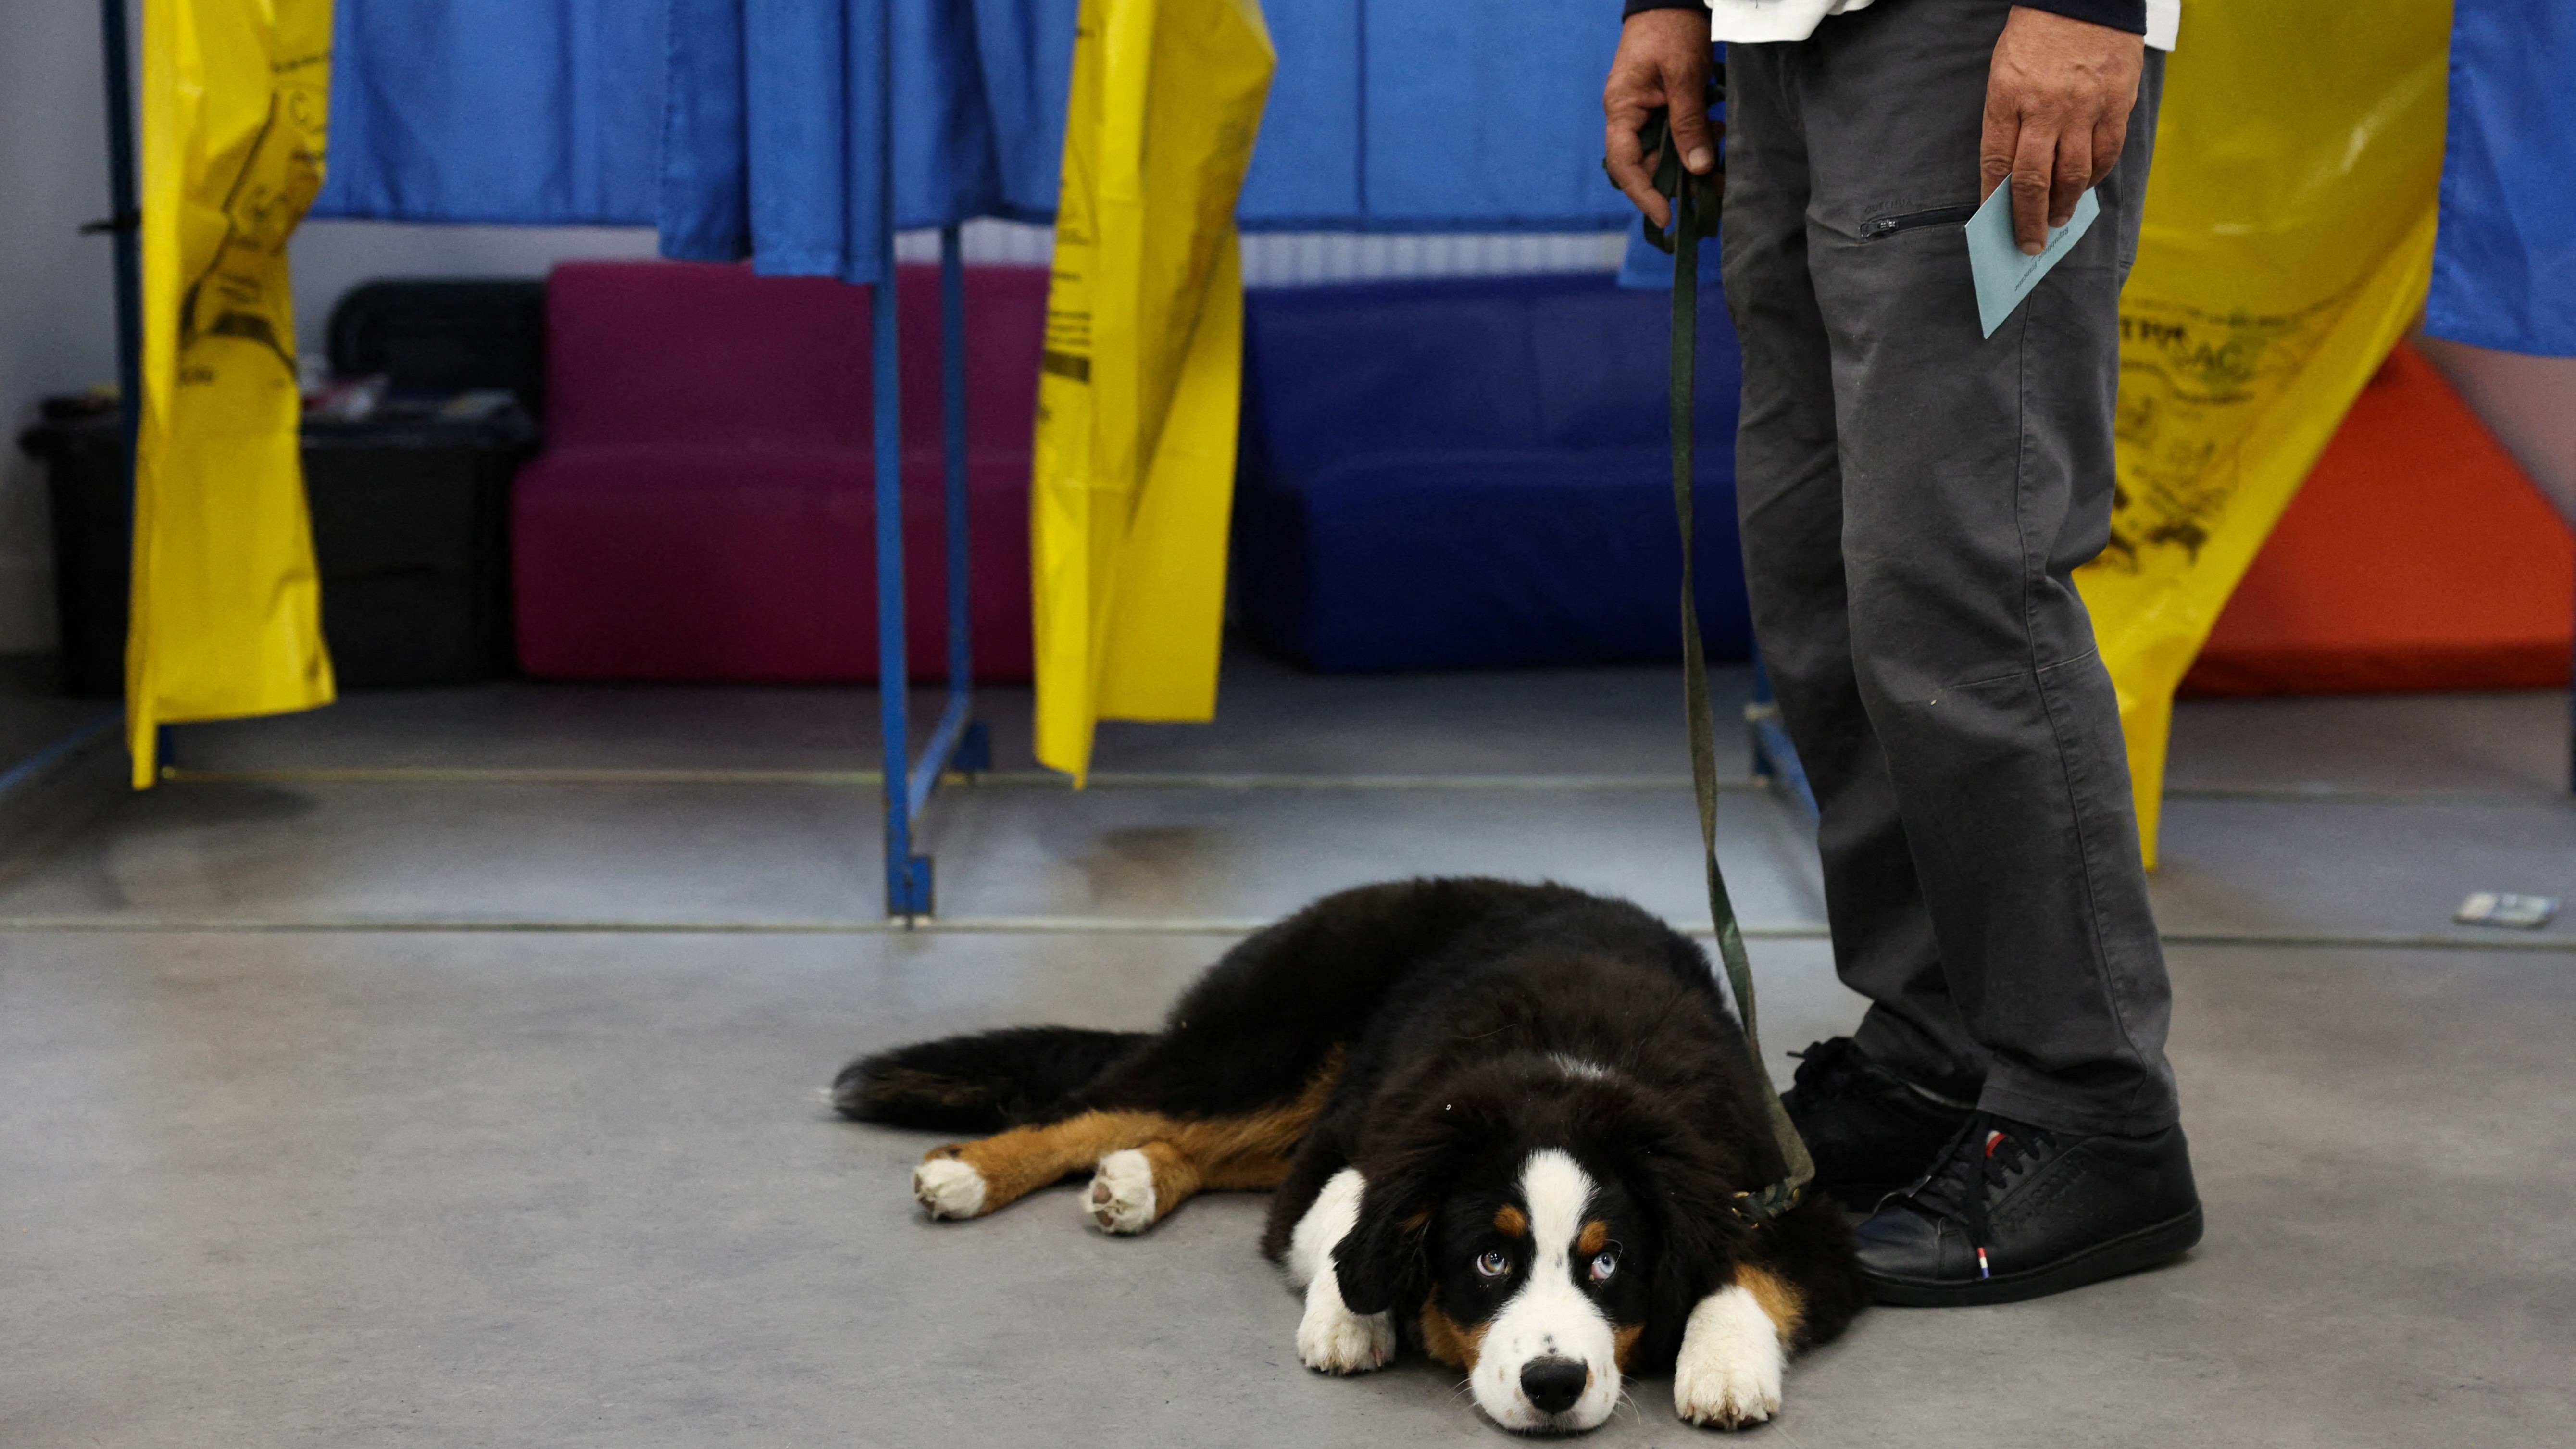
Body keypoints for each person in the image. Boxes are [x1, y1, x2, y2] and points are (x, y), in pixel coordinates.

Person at [1602, 0, 2203, 1306]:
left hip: (1975, 28)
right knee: (1821, 578)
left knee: (1959, 580)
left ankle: (2090, 1101)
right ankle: (1937, 1054)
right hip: (1776, 39)